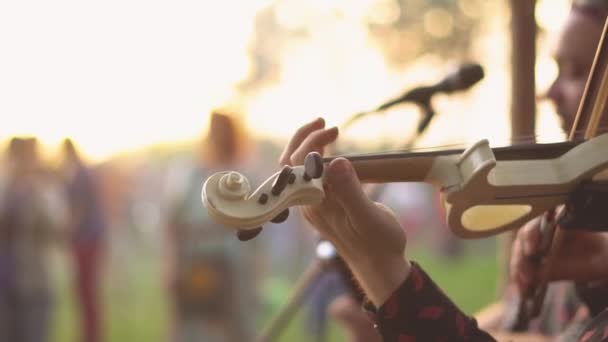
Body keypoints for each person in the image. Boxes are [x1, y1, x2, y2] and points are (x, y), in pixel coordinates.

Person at [323, 0, 608, 340]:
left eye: (578, 72)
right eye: (557, 70)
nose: (550, 93)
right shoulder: (582, 238)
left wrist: (385, 274)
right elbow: (508, 322)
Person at [164, 111, 260, 342]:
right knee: (190, 329)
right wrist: (172, 265)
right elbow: (174, 223)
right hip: (194, 262)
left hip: (232, 266)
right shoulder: (192, 174)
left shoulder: (244, 176)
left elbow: (255, 230)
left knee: (235, 330)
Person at [0, 137, 67, 342]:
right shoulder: (5, 188)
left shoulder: (45, 190)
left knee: (34, 334)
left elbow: (59, 227)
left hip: (37, 280)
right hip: (7, 281)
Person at [61, 138, 107, 342]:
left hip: (86, 238)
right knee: (86, 289)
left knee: (86, 289)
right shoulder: (81, 171)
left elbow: (79, 209)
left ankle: (90, 335)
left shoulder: (79, 174)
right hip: (89, 237)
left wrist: (67, 231)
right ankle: (89, 333)